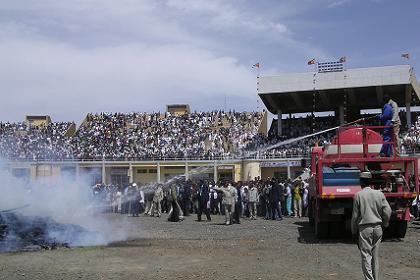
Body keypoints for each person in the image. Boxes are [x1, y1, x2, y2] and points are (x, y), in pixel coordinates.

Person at [351, 172, 391, 280]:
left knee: (366, 257)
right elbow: (388, 211)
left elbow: (355, 216)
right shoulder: (379, 194)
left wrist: (353, 231)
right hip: (378, 228)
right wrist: (385, 223)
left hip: (364, 229)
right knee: (375, 257)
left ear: (361, 182)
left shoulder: (358, 195)